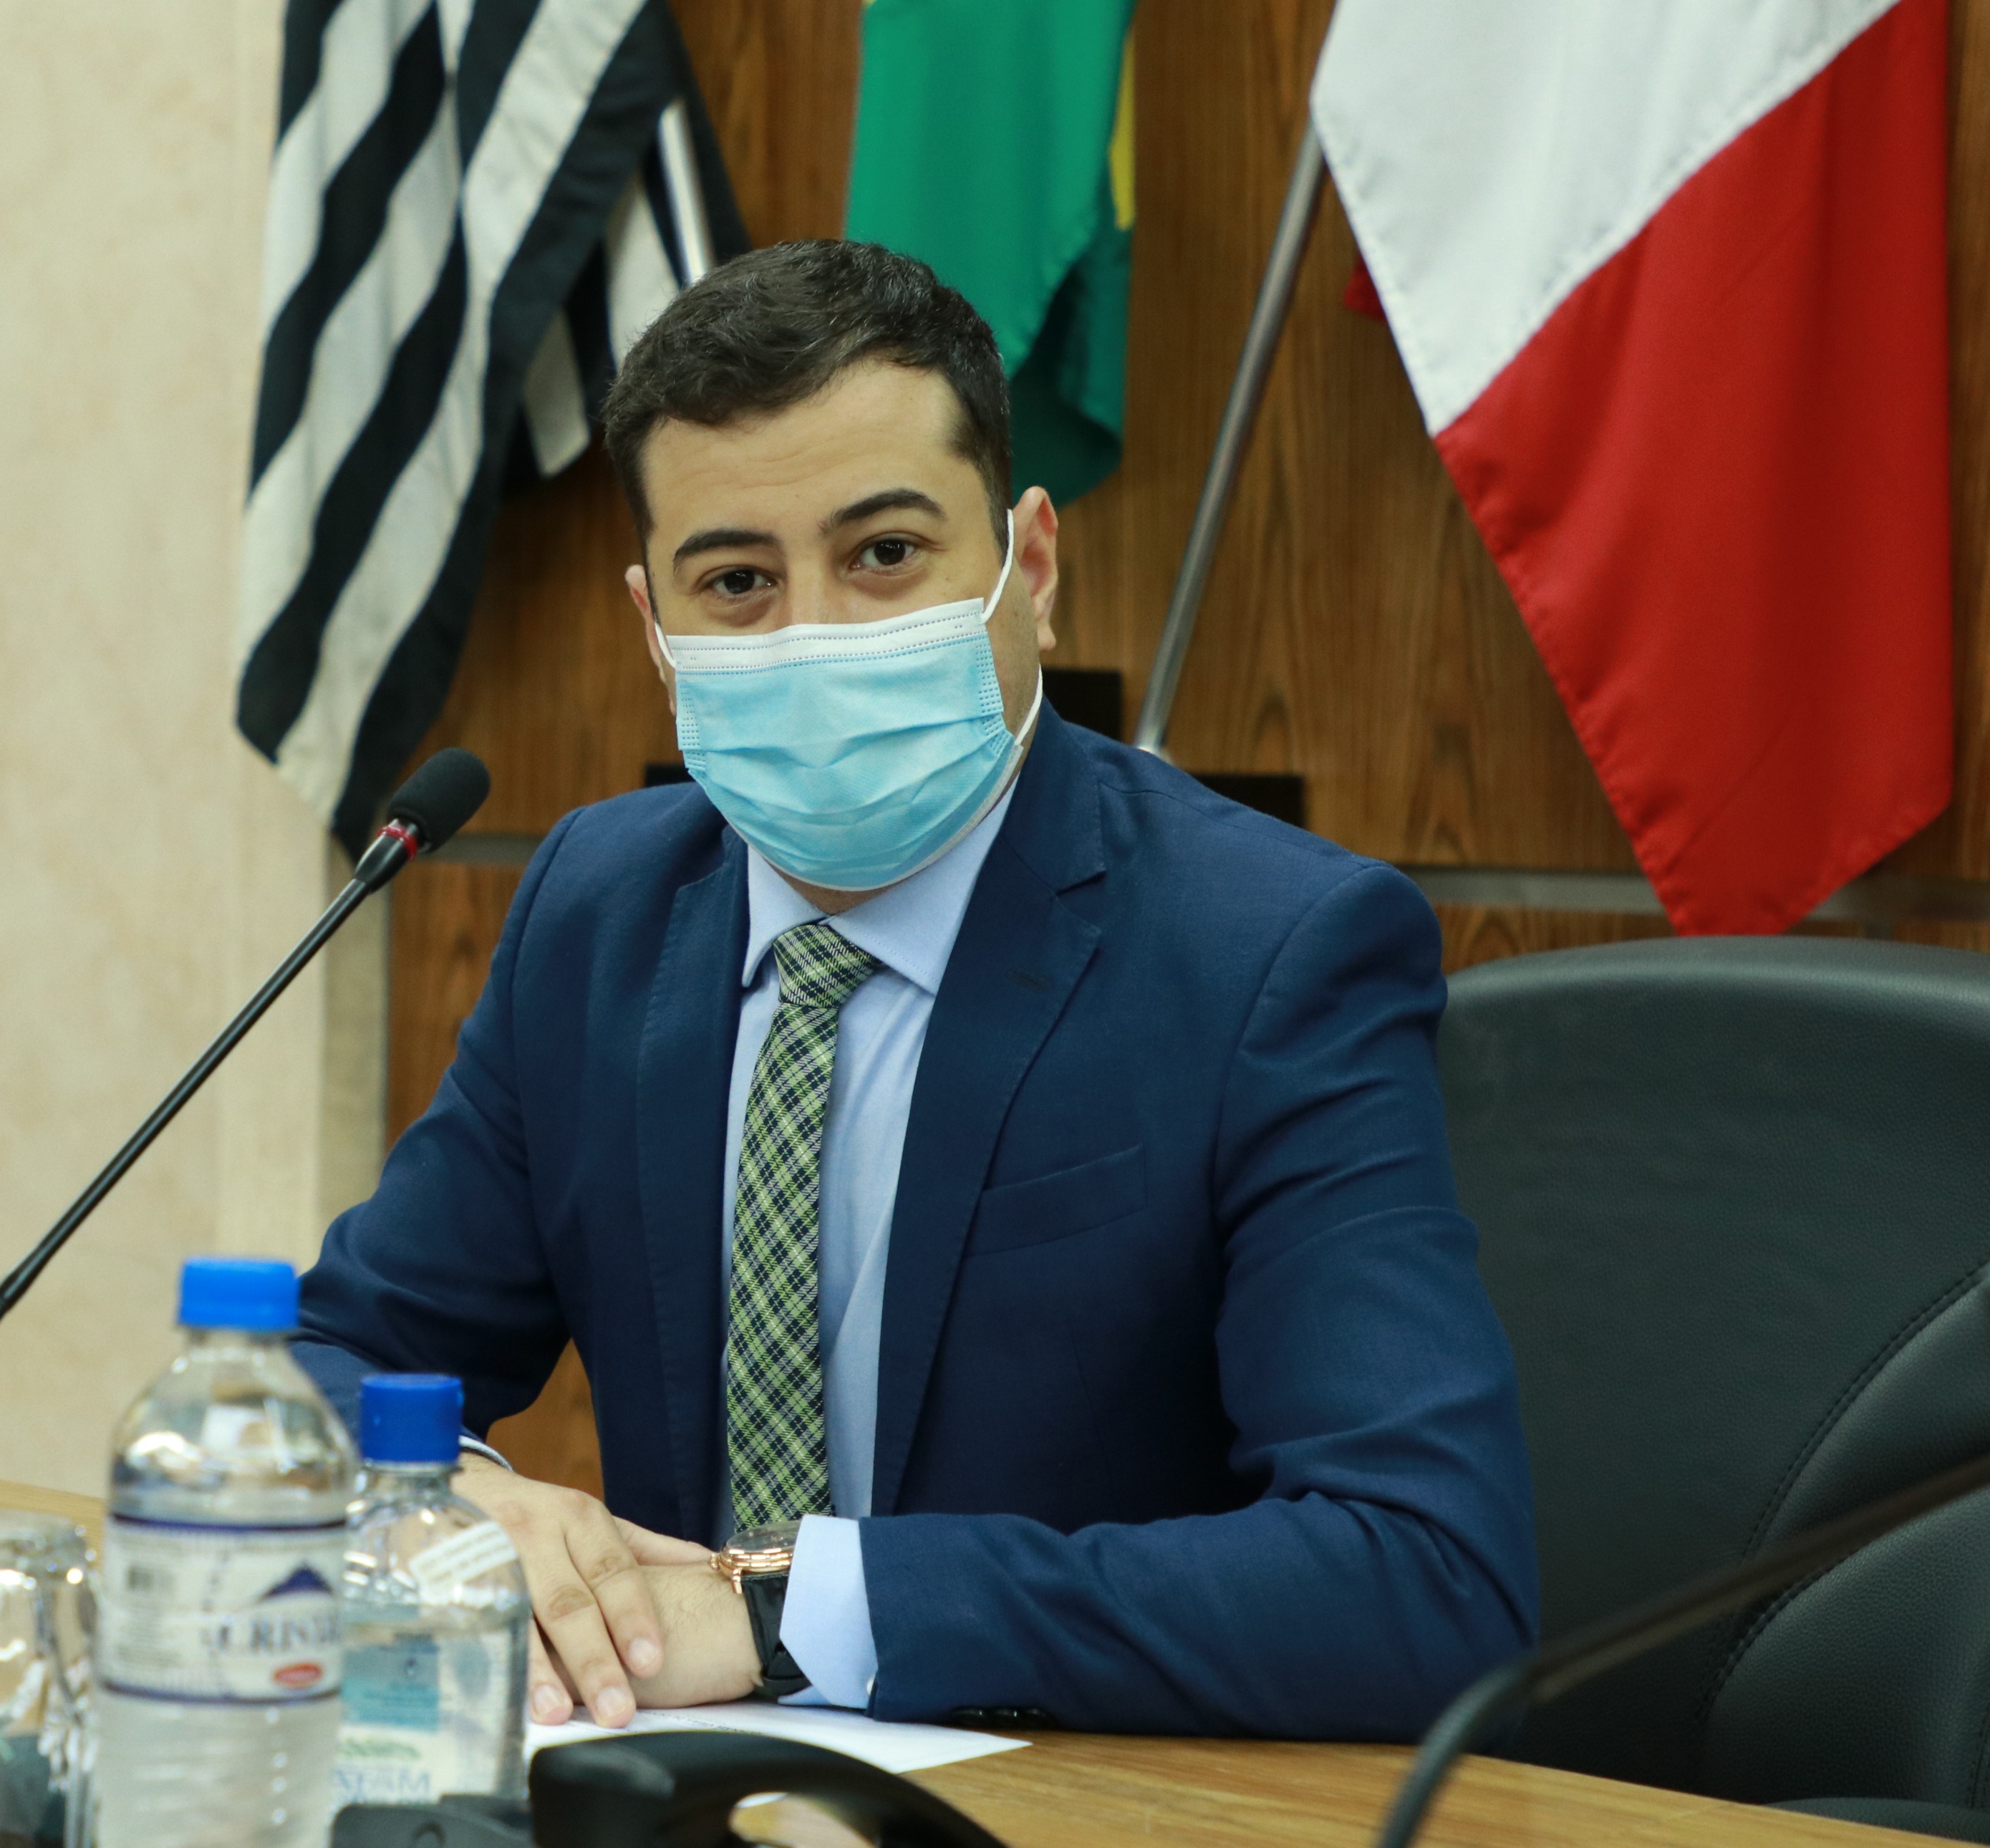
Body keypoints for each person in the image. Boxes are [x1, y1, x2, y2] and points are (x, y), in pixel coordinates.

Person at [293, 240, 1537, 1736]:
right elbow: (321, 1362)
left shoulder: (1271, 949)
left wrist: (793, 1617)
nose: (815, 633)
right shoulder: (599, 910)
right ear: (656, 634)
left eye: (884, 553)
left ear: (1032, 570)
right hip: (673, 1787)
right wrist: (446, 1491)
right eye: (737, 582)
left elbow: (1423, 1575)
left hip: (1078, 1800)